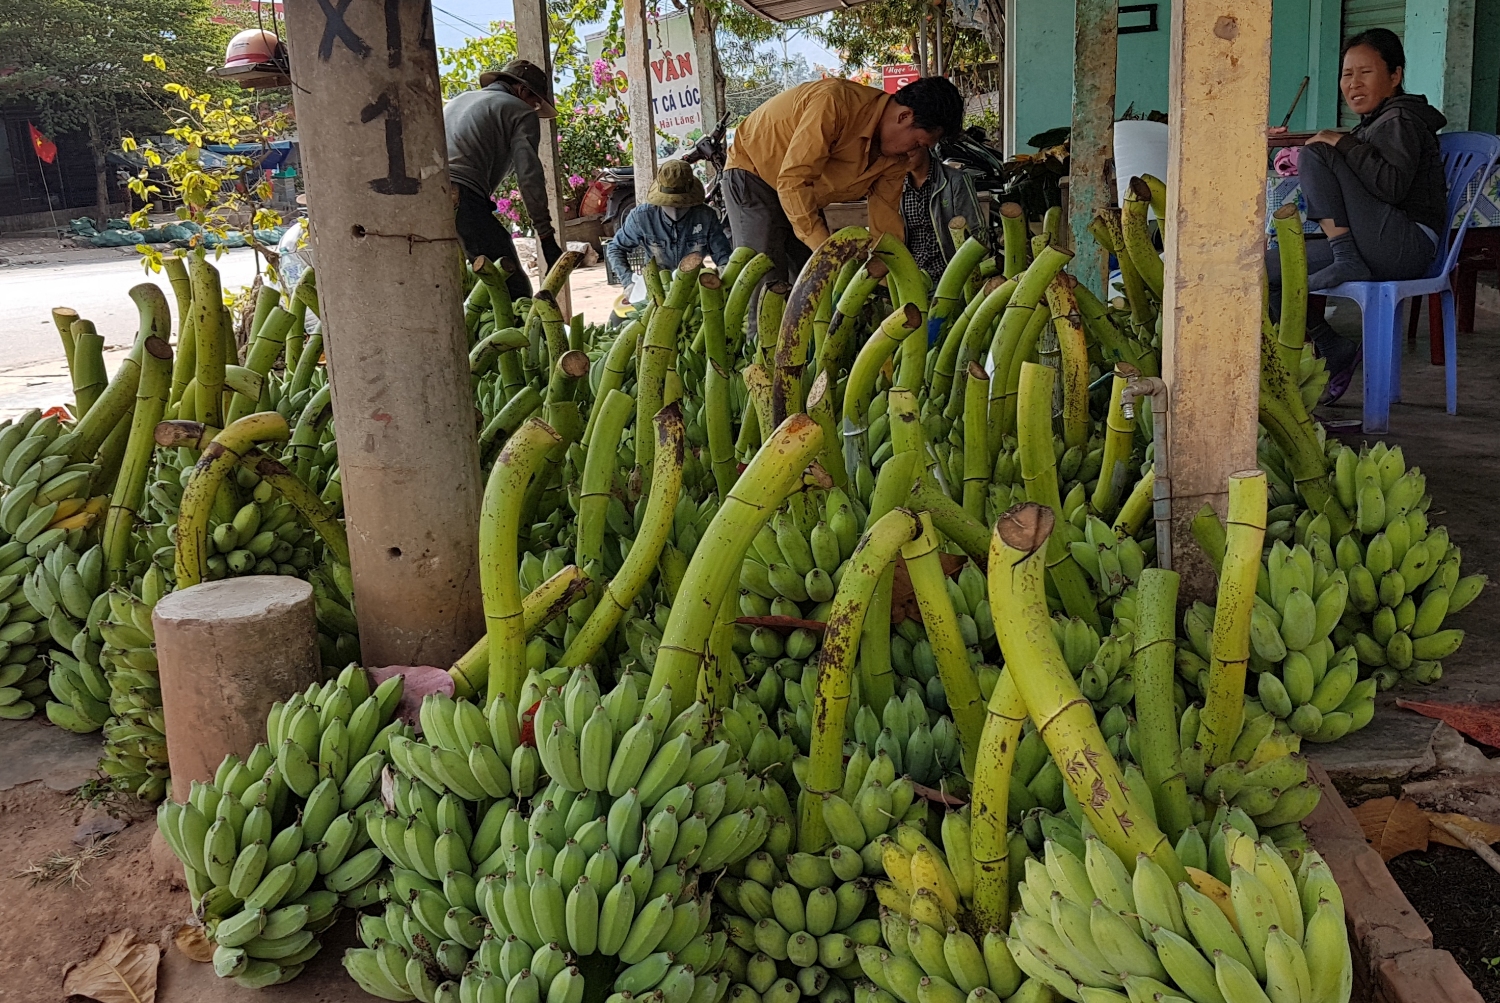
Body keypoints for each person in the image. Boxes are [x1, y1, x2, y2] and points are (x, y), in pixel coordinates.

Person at [1267, 28, 1447, 402]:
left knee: (1316, 151)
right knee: (1262, 267)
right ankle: (1332, 345)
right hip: (1371, 242)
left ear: (1395, 76)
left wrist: (1340, 142)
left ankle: (1345, 257)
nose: (1354, 84)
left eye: (1365, 72)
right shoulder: (1374, 122)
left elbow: (1392, 186)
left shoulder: (1401, 119)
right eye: (1347, 74)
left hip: (1406, 244)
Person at [723, 75, 965, 287]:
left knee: (815, 286)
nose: (915, 153)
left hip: (803, 192)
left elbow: (886, 222)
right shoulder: (835, 103)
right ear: (904, 116)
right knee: (767, 282)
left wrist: (887, 277)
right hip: (754, 172)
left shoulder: (896, 158)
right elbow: (793, 180)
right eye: (919, 144)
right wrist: (829, 251)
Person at [445, 59, 563, 301]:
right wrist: (546, 237)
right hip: (462, 195)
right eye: (536, 102)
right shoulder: (519, 110)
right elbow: (529, 176)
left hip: (426, 194)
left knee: (463, 286)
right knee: (512, 287)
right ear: (523, 90)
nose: (534, 108)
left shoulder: (458, 100)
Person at [605, 160, 733, 286]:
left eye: (682, 203)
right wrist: (629, 282)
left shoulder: (706, 216)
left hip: (694, 285)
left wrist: (723, 273)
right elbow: (615, 248)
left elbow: (723, 255)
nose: (676, 209)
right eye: (669, 203)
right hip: (655, 286)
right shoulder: (641, 217)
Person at [901, 145, 986, 284]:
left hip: (950, 276)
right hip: (911, 278)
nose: (903, 155)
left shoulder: (955, 180)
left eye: (909, 148)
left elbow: (978, 232)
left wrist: (960, 272)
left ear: (924, 143)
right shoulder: (895, 185)